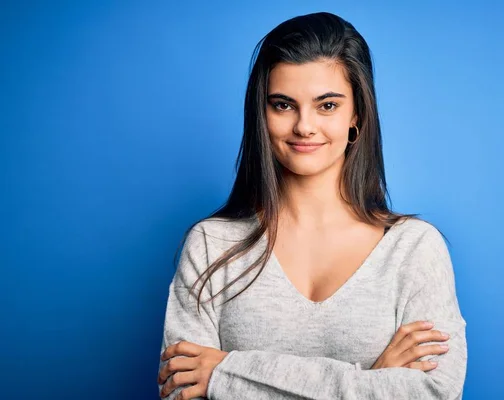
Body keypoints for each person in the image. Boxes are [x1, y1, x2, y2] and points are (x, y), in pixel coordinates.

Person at [157, 11, 467, 400]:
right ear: (261, 114)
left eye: (327, 106)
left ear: (357, 114)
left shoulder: (413, 249)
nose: (304, 126)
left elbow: (435, 392)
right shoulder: (210, 245)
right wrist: (373, 380)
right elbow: (181, 390)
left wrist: (225, 372)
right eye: (283, 105)